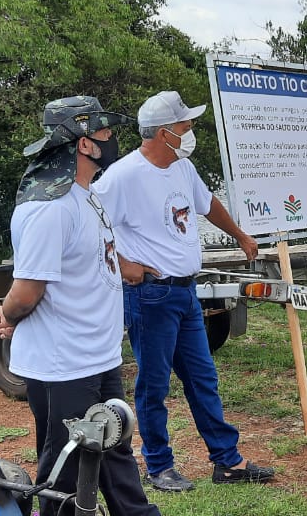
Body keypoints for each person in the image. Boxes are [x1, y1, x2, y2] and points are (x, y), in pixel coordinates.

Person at [93, 90, 274, 491]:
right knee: (154, 385)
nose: (191, 131)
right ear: (163, 132)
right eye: (185, 125)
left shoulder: (181, 167)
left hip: (185, 294)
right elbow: (91, 223)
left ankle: (227, 461)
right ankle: (158, 466)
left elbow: (208, 204)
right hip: (151, 296)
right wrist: (125, 265)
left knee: (202, 378)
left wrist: (241, 235)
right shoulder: (123, 176)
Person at [0, 96, 162, 516]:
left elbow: (90, 256)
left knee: (114, 447)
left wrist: (128, 267)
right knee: (64, 469)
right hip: (64, 363)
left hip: (96, 356)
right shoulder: (48, 209)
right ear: (83, 143)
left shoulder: (85, 196)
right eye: (104, 131)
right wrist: (8, 315)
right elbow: (29, 288)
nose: (111, 138)